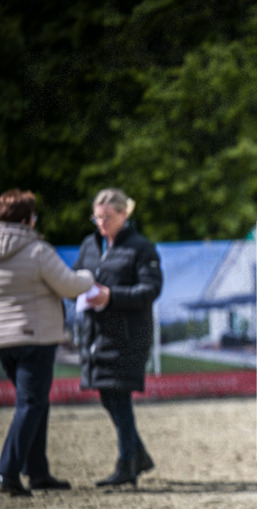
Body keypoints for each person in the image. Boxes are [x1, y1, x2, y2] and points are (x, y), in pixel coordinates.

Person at [0, 189, 95, 496]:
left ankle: (38, 472)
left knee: (32, 403)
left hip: (4, 340)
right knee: (32, 403)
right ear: (28, 218)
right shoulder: (37, 250)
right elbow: (69, 286)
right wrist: (89, 276)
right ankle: (7, 472)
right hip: (36, 338)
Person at [74, 188, 163, 488]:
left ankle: (127, 464)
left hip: (128, 336)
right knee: (108, 397)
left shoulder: (141, 248)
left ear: (124, 215)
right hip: (95, 335)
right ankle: (138, 455)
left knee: (119, 398)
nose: (101, 223)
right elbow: (76, 277)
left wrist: (111, 296)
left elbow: (149, 290)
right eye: (97, 217)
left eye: (107, 217)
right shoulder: (90, 245)